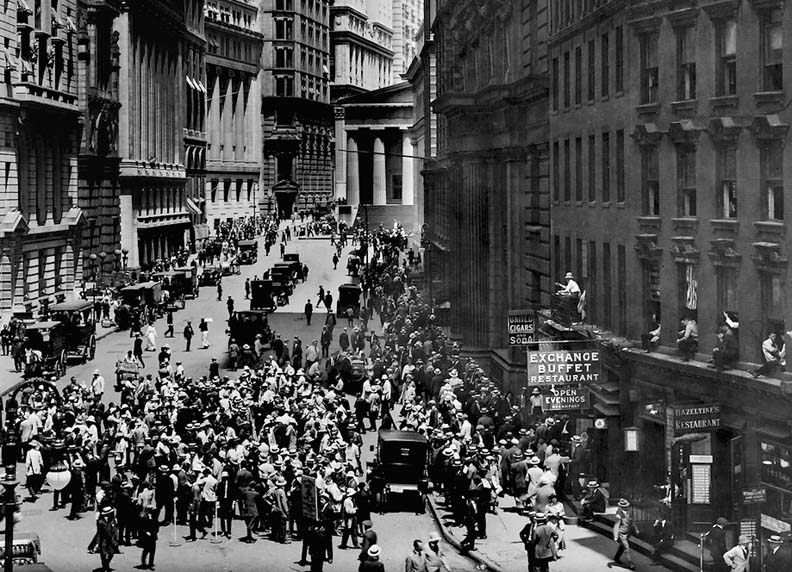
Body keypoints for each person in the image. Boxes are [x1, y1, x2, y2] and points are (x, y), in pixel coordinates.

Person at [613, 498, 637, 570]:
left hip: (627, 532)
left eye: (627, 506)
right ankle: (630, 563)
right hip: (621, 533)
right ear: (621, 507)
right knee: (626, 547)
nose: (626, 508)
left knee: (622, 546)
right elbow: (616, 526)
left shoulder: (629, 512)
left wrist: (636, 528)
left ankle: (616, 558)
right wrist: (616, 536)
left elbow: (632, 520)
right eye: (624, 507)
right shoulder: (618, 515)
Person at [95, 506, 119, 572]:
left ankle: (106, 564)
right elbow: (99, 533)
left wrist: (116, 538)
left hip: (111, 539)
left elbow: (115, 530)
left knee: (111, 553)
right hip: (104, 539)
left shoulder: (113, 520)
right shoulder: (101, 522)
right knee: (103, 554)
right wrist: (97, 543)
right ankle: (105, 567)